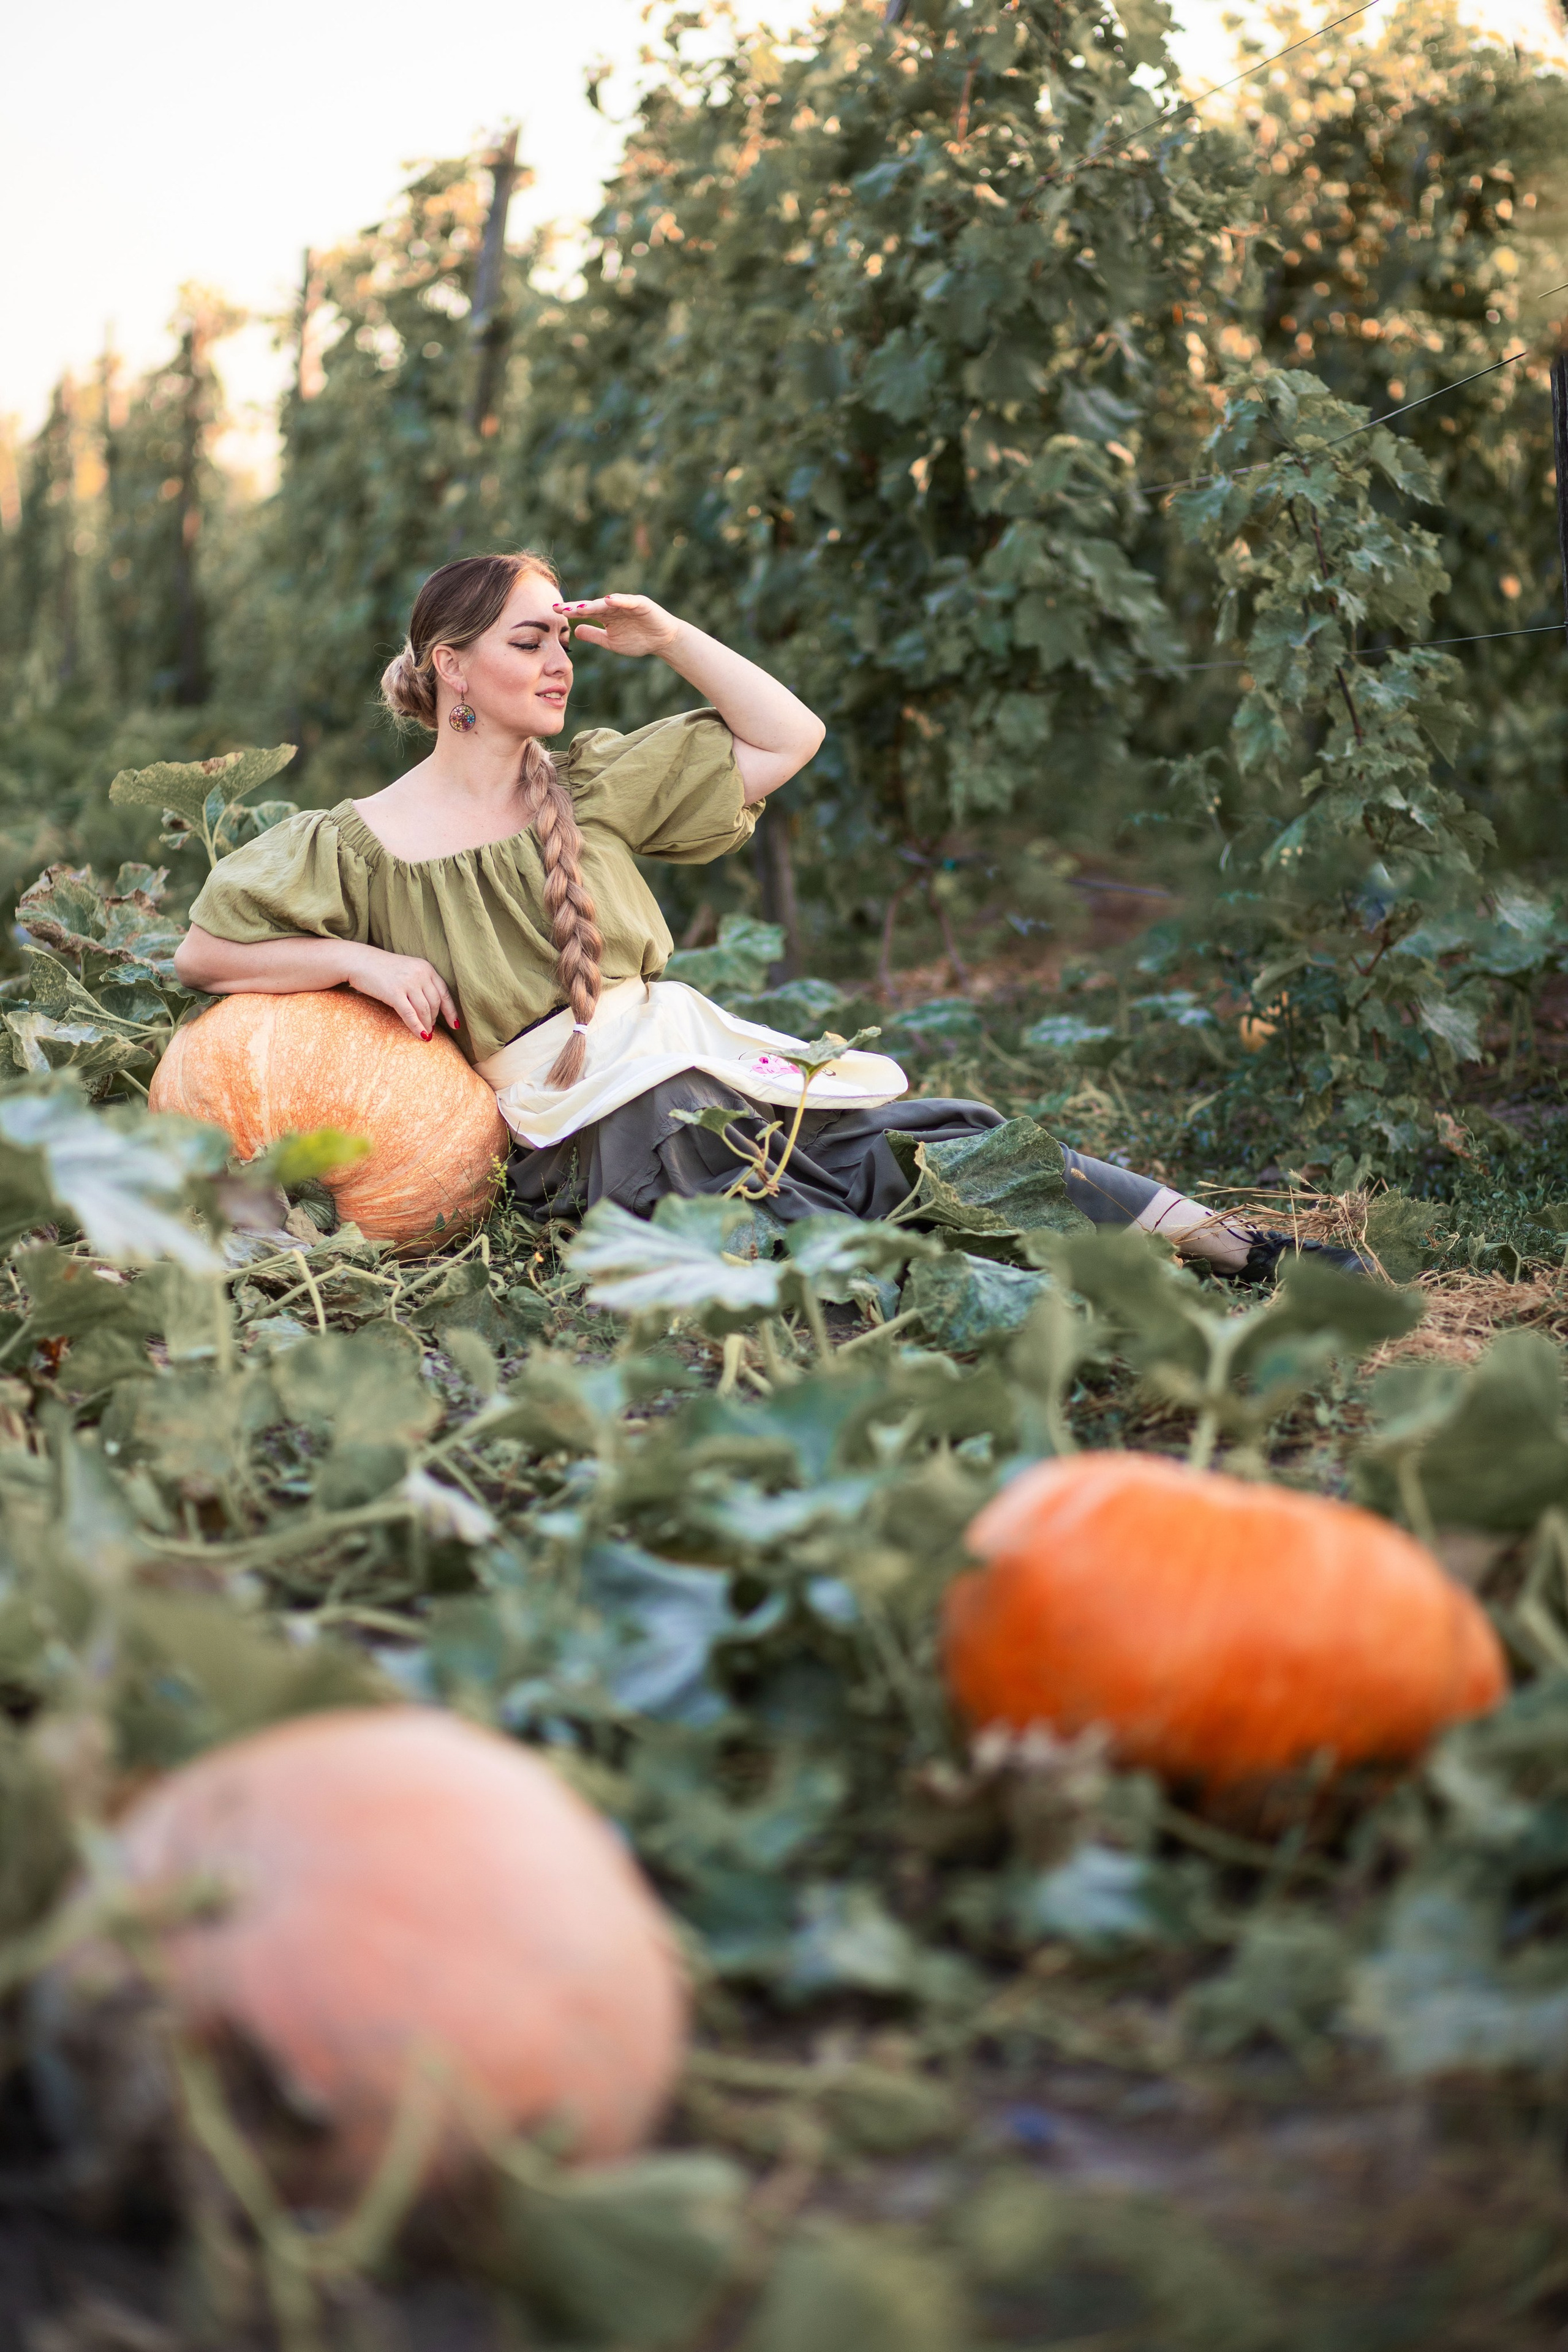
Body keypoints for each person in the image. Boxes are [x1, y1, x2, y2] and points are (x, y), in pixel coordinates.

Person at [174, 549, 1357, 1276]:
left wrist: (672, 636)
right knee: (786, 1197)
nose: (559, 663)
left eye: (563, 641)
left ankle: (1226, 1247)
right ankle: (1048, 1302)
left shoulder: (587, 783)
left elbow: (788, 737)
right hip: (578, 1124)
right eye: (528, 641)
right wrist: (353, 962)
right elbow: (204, 950)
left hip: (683, 1060)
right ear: (449, 666)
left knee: (932, 1137)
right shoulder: (357, 841)